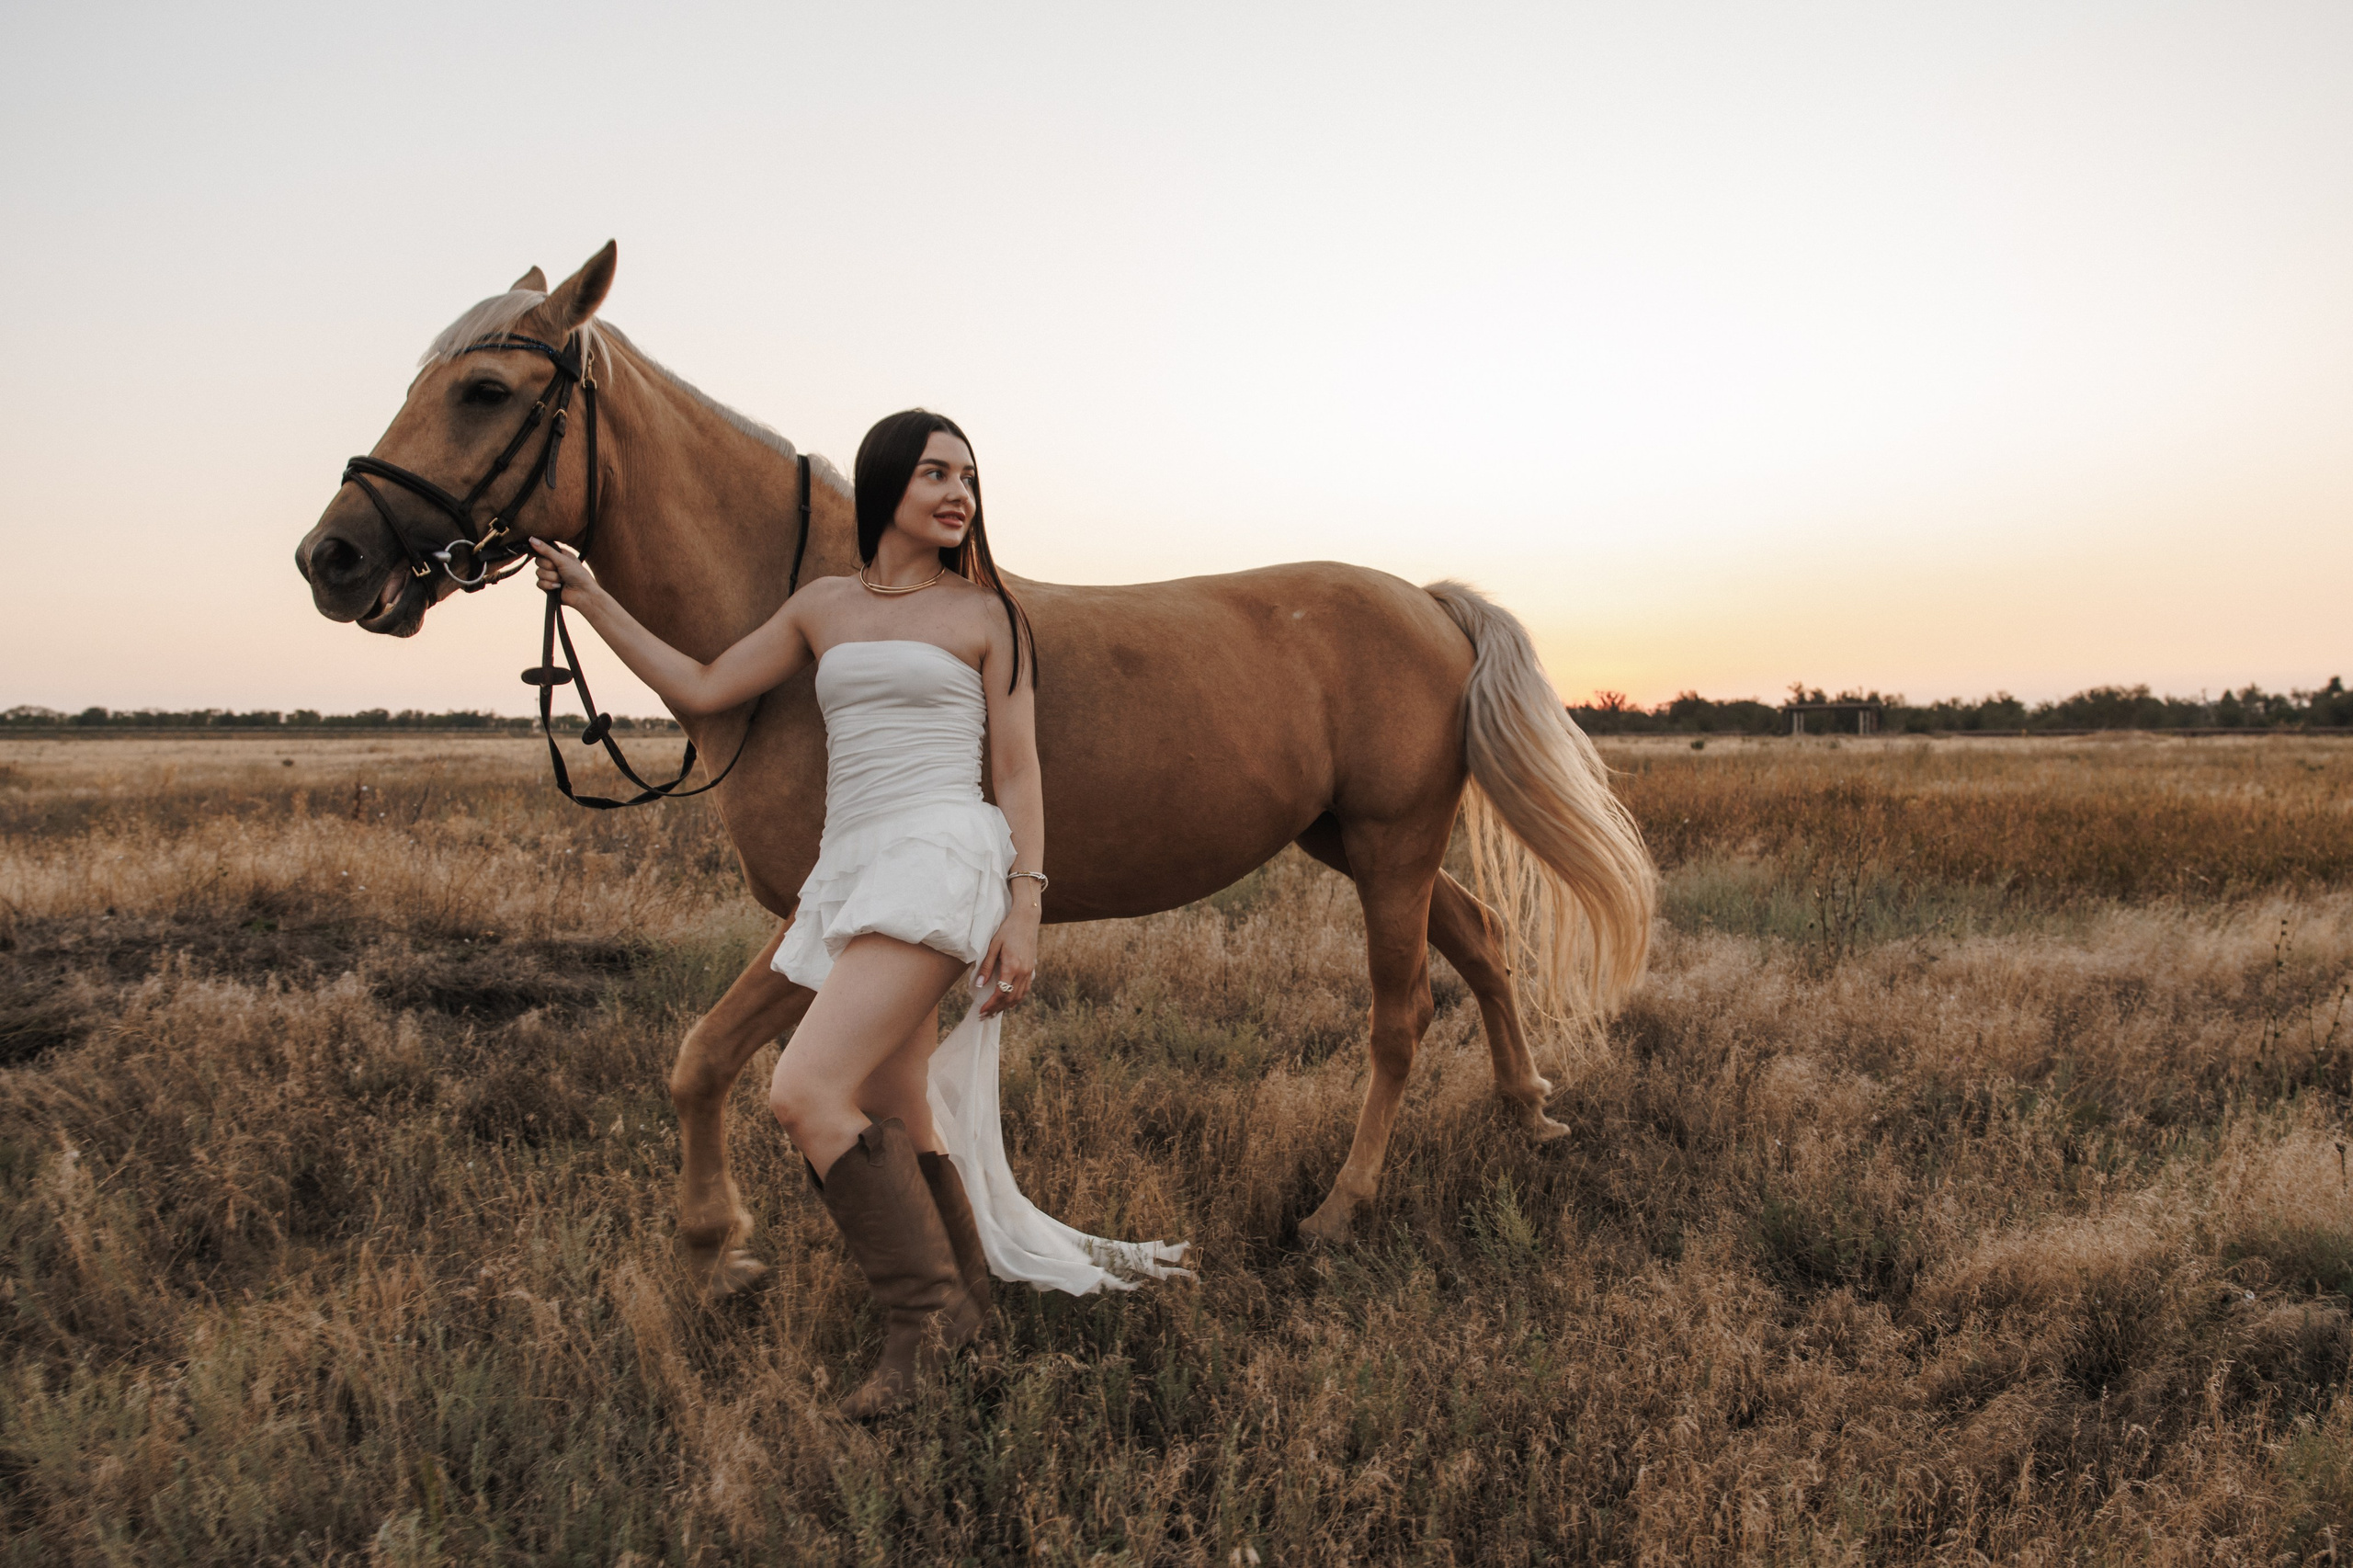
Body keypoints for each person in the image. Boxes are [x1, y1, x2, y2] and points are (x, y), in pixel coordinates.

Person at [531, 409, 1185, 1418]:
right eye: (935, 472)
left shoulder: (986, 614)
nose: (958, 491)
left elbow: (1017, 768)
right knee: (898, 1106)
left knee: (802, 1090)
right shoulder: (822, 606)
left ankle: (920, 1333)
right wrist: (593, 598)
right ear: (887, 485)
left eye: (968, 475)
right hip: (856, 863)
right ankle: (967, 1314)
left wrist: (1025, 904)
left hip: (941, 855)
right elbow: (703, 683)